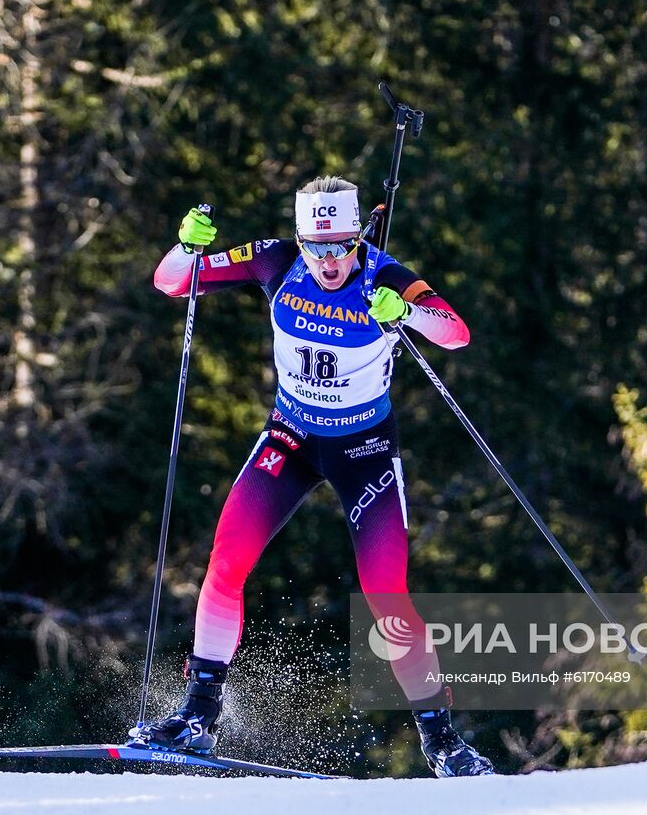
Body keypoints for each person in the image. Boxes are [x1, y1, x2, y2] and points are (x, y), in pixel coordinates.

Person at [135, 176, 494, 777]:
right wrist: (185, 246)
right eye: (316, 248)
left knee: (386, 594)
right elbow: (173, 281)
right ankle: (198, 715)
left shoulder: (384, 275)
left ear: (358, 237)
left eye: (341, 246)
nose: (329, 261)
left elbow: (455, 333)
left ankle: (442, 741)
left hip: (364, 450)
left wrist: (406, 312)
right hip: (292, 438)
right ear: (301, 241)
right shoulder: (275, 260)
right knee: (225, 563)